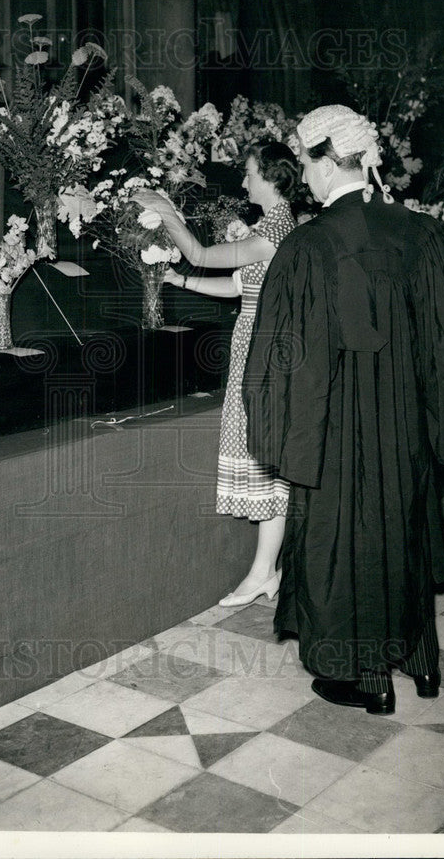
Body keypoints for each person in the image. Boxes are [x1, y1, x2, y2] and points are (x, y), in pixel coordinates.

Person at [243, 105, 444, 715]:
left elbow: (280, 357)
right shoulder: (421, 233)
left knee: (344, 545)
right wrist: (441, 432)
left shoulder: (310, 245)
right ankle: (419, 666)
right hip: (404, 426)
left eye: (305, 162)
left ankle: (362, 678)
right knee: (404, 532)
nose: (303, 177)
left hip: (337, 429)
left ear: (323, 159)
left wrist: (276, 436)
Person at [133, 143, 297, 606]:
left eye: (248, 174)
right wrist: (177, 280)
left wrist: (166, 210)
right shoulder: (271, 225)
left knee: (265, 454)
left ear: (270, 176)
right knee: (262, 452)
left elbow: (202, 253)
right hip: (252, 338)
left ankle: (264, 571)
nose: (244, 183)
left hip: (263, 345)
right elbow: (237, 284)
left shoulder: (278, 227)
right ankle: (267, 569)